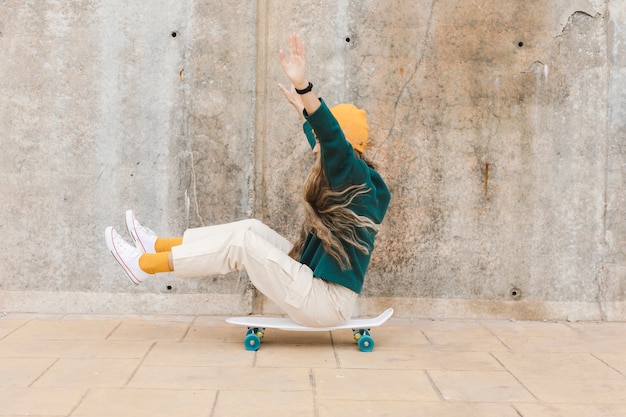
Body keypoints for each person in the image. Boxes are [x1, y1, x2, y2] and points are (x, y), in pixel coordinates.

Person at [104, 34, 391, 327]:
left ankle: (145, 265)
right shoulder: (359, 180)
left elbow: (329, 136)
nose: (313, 144)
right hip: (313, 286)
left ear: (343, 144)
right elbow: (325, 139)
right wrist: (304, 114)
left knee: (242, 243)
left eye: (318, 138)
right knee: (251, 229)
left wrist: (305, 88)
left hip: (324, 301)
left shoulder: (351, 173)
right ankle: (158, 246)